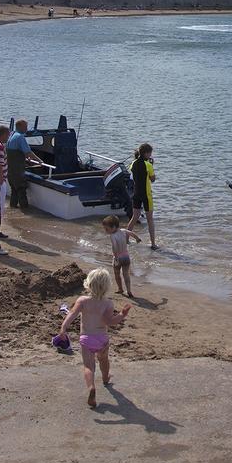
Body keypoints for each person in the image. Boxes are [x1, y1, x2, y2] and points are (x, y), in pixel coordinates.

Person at [58, 268, 131, 409]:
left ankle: (91, 387)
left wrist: (63, 328)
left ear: (88, 283)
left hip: (86, 339)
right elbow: (110, 322)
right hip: (102, 339)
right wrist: (122, 314)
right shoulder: (108, 303)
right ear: (107, 286)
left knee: (88, 366)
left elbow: (71, 314)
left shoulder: (83, 301)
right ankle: (105, 378)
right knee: (104, 360)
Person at [127, 143, 157, 249]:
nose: (151, 155)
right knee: (150, 220)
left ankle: (126, 239)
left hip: (136, 194)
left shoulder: (133, 163)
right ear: (146, 153)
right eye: (150, 153)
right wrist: (151, 165)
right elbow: (152, 179)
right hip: (146, 195)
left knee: (135, 217)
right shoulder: (148, 165)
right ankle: (153, 244)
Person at [103, 214, 141, 298]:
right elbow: (131, 233)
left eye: (107, 229)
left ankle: (120, 289)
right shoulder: (123, 231)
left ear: (113, 227)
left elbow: (114, 247)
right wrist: (137, 238)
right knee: (126, 274)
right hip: (126, 257)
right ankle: (129, 290)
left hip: (118, 257)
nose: (105, 231)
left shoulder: (112, 236)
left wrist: (115, 257)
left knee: (117, 274)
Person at [6, 120, 41, 209]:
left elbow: (16, 153)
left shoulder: (11, 135)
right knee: (21, 191)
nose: (26, 128)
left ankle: (13, 209)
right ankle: (25, 211)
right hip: (18, 172)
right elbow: (28, 152)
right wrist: (40, 161)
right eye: (25, 126)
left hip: (10, 171)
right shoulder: (20, 137)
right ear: (20, 126)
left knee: (14, 191)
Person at [0, 124, 11, 235]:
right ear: (3, 134)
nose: (9, 136)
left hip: (1, 180)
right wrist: (1, 181)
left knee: (0, 207)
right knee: (0, 208)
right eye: (8, 134)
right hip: (1, 181)